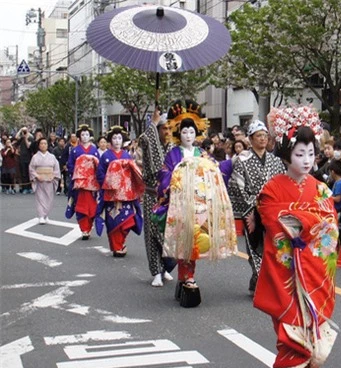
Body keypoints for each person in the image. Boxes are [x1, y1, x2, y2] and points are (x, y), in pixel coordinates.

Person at [255, 112, 337, 368]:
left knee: (308, 341)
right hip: (285, 276)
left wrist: (303, 221)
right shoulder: (272, 188)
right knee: (291, 341)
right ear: (287, 154)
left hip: (315, 275)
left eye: (311, 154)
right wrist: (310, 221)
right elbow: (275, 223)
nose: (306, 160)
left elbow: (330, 226)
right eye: (299, 153)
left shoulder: (321, 188)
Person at [155, 100, 237, 308]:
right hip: (181, 204)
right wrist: (179, 172)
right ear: (178, 134)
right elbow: (164, 176)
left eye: (192, 132)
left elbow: (215, 170)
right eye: (184, 132)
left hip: (199, 204)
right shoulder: (173, 154)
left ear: (196, 133)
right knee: (185, 240)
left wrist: (233, 162)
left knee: (197, 240)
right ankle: (186, 277)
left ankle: (186, 277)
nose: (188, 136)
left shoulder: (202, 154)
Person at [228, 118, 286, 294]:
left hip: (273, 208)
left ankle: (259, 279)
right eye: (258, 136)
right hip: (251, 210)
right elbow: (236, 184)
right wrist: (252, 203)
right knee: (254, 244)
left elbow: (283, 182)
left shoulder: (276, 161)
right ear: (251, 139)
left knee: (273, 244)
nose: (262, 139)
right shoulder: (242, 160)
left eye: (265, 136)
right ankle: (259, 275)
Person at [139, 109, 176, 287]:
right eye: (164, 129)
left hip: (170, 197)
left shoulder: (173, 148)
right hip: (152, 194)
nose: (167, 132)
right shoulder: (149, 140)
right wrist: (153, 123)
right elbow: (144, 139)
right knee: (153, 232)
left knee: (169, 232)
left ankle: (166, 267)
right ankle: (156, 271)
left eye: (170, 129)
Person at [96, 126, 144, 257]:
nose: (117, 141)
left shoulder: (127, 155)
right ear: (110, 141)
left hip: (126, 195)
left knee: (128, 220)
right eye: (114, 138)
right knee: (113, 221)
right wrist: (109, 183)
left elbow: (133, 173)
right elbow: (100, 174)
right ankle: (117, 246)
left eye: (119, 138)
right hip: (112, 195)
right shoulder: (106, 156)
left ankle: (122, 242)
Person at [65, 125, 100, 240]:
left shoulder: (94, 150)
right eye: (83, 135)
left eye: (87, 135)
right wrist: (78, 171)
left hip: (92, 183)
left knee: (92, 207)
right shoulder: (75, 150)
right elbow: (70, 165)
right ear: (79, 136)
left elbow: (99, 166)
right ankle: (84, 229)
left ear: (90, 137)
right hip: (80, 183)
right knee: (81, 207)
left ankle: (89, 227)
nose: (85, 137)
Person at [28, 138, 61, 224]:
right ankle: (41, 216)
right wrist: (37, 176)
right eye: (41, 144)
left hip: (49, 179)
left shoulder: (52, 157)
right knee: (40, 198)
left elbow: (56, 168)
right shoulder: (35, 157)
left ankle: (46, 215)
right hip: (40, 180)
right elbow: (32, 169)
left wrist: (53, 176)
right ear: (39, 146)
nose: (43, 145)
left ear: (47, 145)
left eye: (45, 144)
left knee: (49, 198)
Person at [16, 127, 34, 194]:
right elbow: (16, 138)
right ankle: (24, 188)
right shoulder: (21, 138)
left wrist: (26, 137)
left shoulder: (30, 138)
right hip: (22, 158)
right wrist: (20, 130)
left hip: (29, 158)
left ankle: (30, 187)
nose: (24, 132)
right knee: (23, 173)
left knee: (29, 173)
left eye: (25, 131)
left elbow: (29, 146)